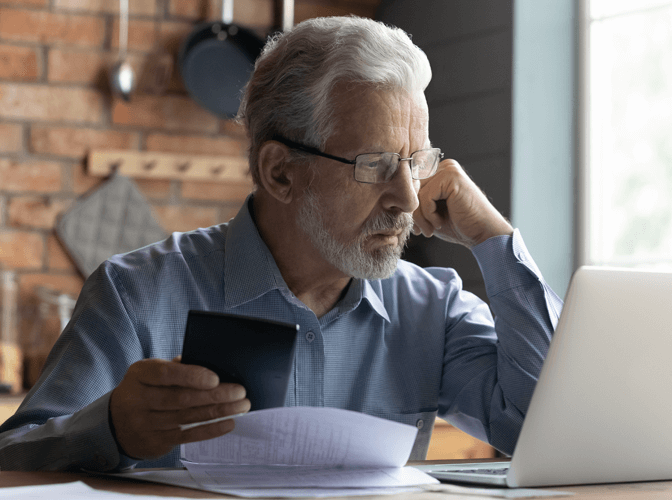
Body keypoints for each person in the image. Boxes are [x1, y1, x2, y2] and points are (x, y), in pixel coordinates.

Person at [0, 16, 561, 471]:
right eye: (377, 166)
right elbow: (10, 461)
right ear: (280, 173)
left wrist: (494, 238)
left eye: (417, 163)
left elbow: (545, 429)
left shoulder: (430, 309)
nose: (409, 199)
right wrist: (113, 429)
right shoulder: (135, 294)